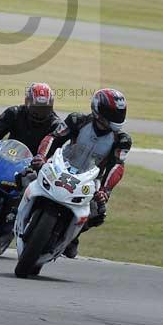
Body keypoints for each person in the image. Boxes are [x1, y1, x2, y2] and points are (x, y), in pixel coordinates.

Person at [31, 88, 132, 259]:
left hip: (90, 179)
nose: (116, 117)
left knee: (98, 212)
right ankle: (11, 217)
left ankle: (72, 236)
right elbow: (53, 137)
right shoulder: (77, 120)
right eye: (112, 113)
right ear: (98, 108)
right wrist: (41, 156)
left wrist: (105, 191)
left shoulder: (122, 140)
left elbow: (117, 166)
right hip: (61, 166)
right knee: (27, 177)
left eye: (119, 113)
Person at [0, 83, 63, 208]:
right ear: (27, 102)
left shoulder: (56, 125)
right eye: (36, 108)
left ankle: (19, 214)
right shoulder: (14, 113)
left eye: (44, 109)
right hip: (7, 156)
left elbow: (56, 152)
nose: (39, 113)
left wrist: (42, 164)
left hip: (32, 166)